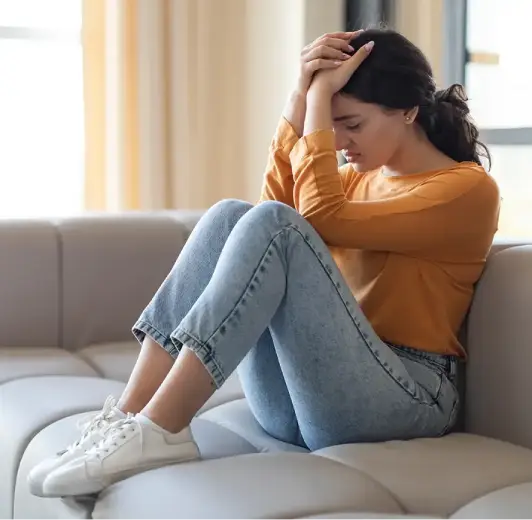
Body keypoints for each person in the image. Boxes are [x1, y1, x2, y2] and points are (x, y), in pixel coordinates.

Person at [29, 28, 500, 498]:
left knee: (276, 222)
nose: (338, 142)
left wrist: (317, 100)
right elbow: (257, 226)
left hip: (404, 399)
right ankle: (129, 418)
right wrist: (299, 94)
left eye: (351, 125)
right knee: (230, 215)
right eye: (330, 125)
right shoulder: (359, 180)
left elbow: (308, 219)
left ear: (410, 112)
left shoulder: (465, 190)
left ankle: (162, 428)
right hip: (308, 397)